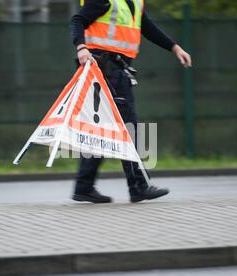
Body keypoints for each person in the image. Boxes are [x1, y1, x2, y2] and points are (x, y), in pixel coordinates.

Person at [70, 0, 192, 204]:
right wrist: (81, 47)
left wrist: (174, 47)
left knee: (102, 128)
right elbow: (78, 20)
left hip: (114, 68)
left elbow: (147, 27)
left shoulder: (134, 2)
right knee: (128, 127)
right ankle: (139, 186)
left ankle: (84, 186)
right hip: (105, 67)